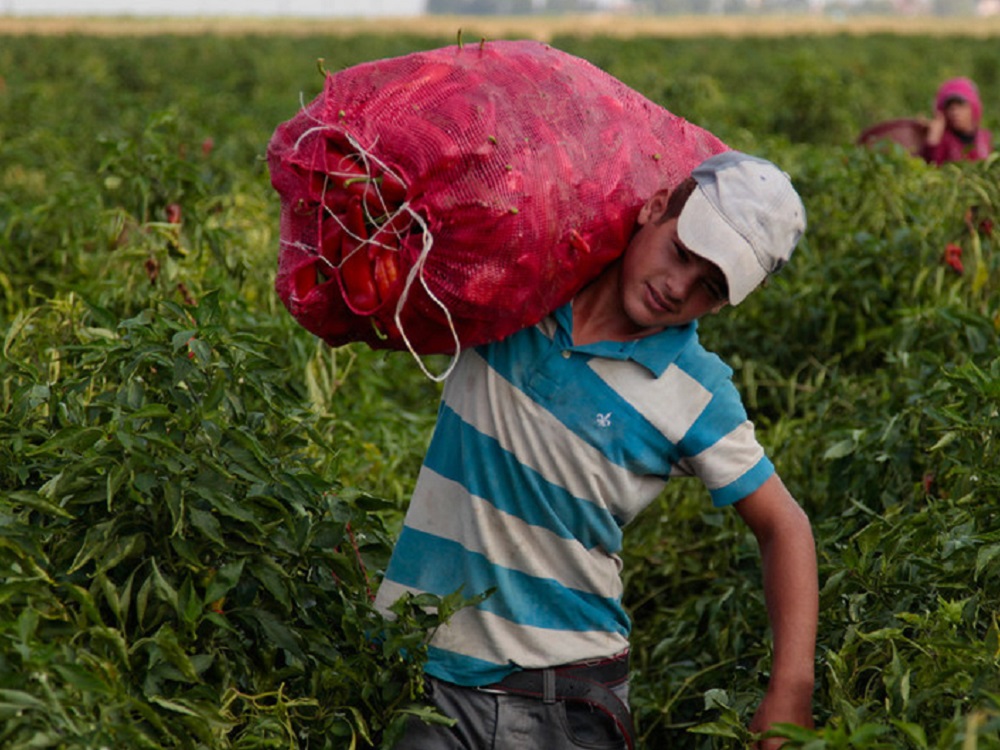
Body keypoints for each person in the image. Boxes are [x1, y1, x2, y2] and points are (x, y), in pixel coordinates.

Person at [375, 151, 819, 750]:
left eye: (708, 286)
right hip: (421, 674)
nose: (677, 287)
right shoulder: (524, 285)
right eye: (682, 252)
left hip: (561, 700)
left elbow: (784, 525)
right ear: (656, 207)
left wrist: (790, 687)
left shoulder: (694, 392)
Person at [921, 77, 993, 165]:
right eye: (950, 108)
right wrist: (933, 140)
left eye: (961, 106)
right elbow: (931, 166)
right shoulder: (944, 140)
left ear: (973, 108)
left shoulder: (986, 138)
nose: (955, 113)